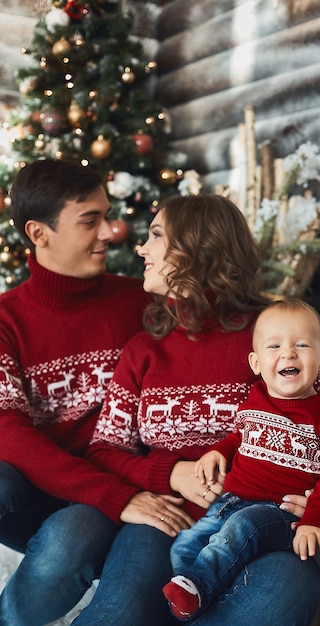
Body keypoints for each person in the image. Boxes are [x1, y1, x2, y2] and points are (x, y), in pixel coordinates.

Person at [73, 195, 320, 626]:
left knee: (279, 595)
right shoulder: (143, 350)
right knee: (115, 614)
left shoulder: (269, 337)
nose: (140, 248)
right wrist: (173, 473)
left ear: (198, 248)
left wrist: (314, 499)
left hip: (263, 525)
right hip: (166, 516)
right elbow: (104, 449)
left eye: (156, 236)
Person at [0, 159, 194, 626]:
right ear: (39, 233)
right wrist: (111, 497)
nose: (111, 232)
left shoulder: (142, 300)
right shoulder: (6, 319)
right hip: (51, 483)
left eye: (107, 215)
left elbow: (219, 327)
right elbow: (7, 430)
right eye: (90, 220)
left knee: (70, 539)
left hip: (126, 472)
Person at [162, 299, 320, 621]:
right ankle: (201, 597)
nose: (288, 353)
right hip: (228, 503)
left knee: (243, 526)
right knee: (185, 545)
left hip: (279, 513)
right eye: (274, 346)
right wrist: (219, 451)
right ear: (255, 362)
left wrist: (316, 518)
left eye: (301, 345)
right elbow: (239, 437)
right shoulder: (255, 398)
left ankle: (200, 585)